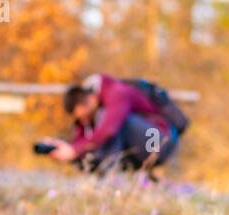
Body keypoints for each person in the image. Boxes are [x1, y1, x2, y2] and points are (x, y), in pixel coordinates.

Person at [38, 73, 185, 177]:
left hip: (159, 142)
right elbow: (85, 139)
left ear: (89, 99)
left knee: (111, 126)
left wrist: (75, 150)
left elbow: (108, 130)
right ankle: (109, 179)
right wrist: (64, 146)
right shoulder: (95, 108)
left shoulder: (117, 93)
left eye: (84, 117)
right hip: (141, 147)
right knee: (91, 141)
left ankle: (110, 179)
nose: (83, 122)